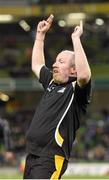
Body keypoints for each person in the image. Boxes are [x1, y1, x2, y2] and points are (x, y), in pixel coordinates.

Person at [23, 14, 91, 179]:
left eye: (61, 62)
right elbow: (37, 65)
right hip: (32, 155)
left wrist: (76, 39)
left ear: (73, 70)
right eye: (55, 61)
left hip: (51, 158)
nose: (54, 64)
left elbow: (84, 75)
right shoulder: (52, 83)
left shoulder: (76, 89)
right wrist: (40, 36)